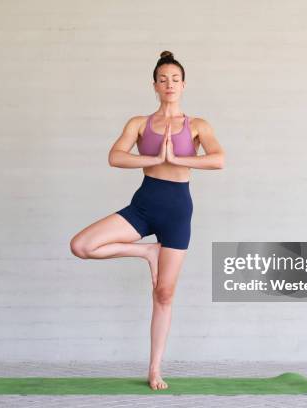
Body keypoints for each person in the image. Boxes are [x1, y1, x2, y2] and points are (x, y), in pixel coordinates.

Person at [70, 50, 225, 390]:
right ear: (154, 85)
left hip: (178, 210)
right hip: (145, 203)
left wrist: (180, 158)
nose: (169, 84)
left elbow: (218, 160)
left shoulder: (197, 125)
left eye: (175, 79)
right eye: (162, 79)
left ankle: (155, 369)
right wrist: (155, 157)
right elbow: (115, 156)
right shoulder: (138, 123)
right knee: (82, 246)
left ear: (183, 85)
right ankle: (146, 252)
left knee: (164, 294)